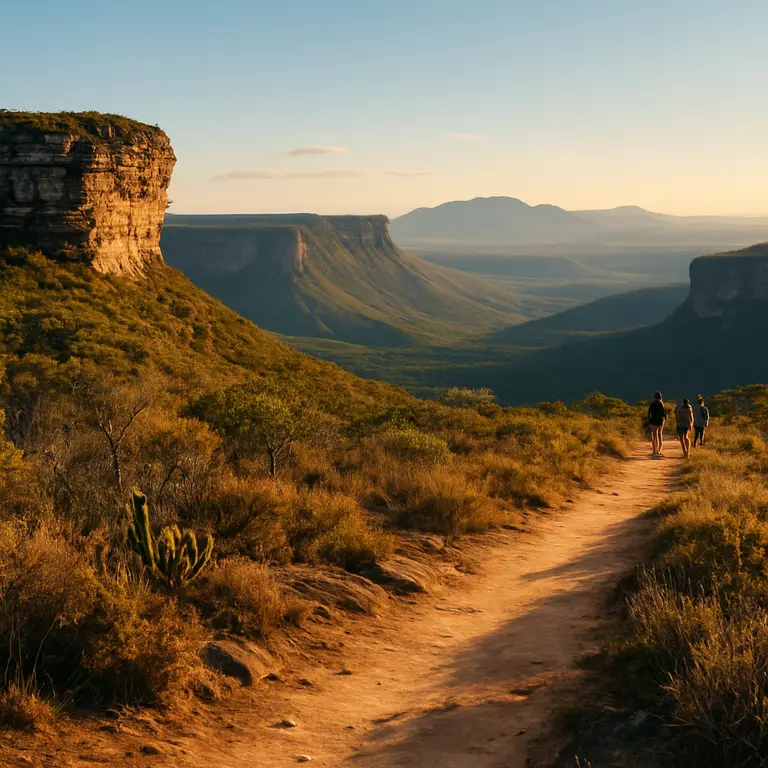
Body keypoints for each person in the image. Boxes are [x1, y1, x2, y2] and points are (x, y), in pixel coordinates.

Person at [647, 392, 666, 458]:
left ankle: (654, 451)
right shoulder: (661, 403)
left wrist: (649, 420)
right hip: (660, 421)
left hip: (653, 421)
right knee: (660, 434)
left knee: (654, 436)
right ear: (660, 397)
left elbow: (649, 412)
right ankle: (659, 450)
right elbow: (663, 413)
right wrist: (666, 417)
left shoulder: (652, 403)